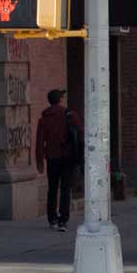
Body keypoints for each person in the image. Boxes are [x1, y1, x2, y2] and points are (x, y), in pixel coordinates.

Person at [33, 88, 83, 229]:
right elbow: (80, 134)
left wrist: (39, 160)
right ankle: (63, 220)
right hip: (68, 157)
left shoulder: (44, 118)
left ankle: (52, 219)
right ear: (60, 100)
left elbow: (40, 141)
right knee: (66, 189)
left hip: (52, 158)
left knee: (52, 188)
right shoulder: (70, 115)